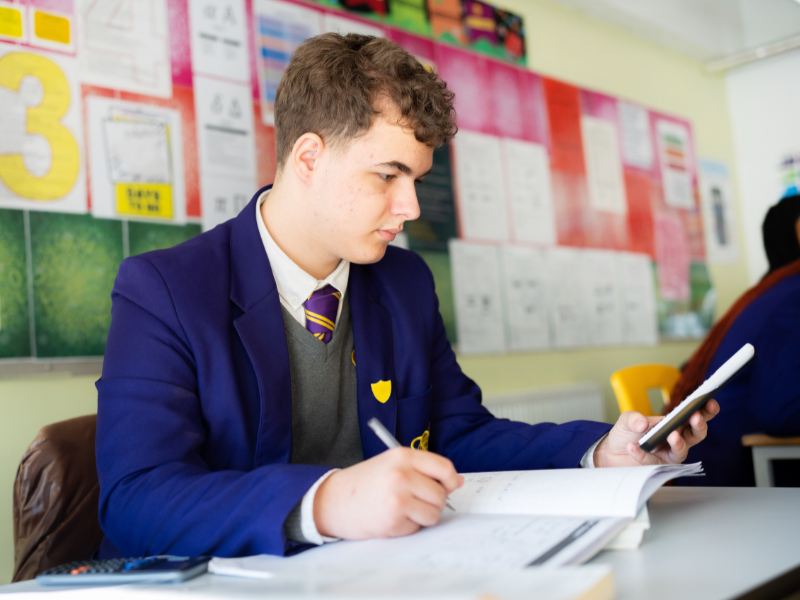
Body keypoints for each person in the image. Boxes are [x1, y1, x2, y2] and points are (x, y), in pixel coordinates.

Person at [95, 33, 717, 559]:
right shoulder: (164, 290)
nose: (411, 207)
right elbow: (136, 497)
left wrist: (600, 452)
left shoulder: (404, 282)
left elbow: (458, 432)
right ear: (308, 157)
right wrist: (327, 502)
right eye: (388, 175)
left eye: (415, 179)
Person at [670, 194, 800, 486]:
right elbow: (781, 414)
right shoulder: (792, 294)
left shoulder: (771, 290)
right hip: (730, 474)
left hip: (713, 461)